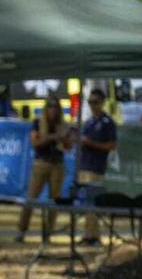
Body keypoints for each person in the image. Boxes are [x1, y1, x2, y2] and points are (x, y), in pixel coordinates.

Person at [14, 95, 74, 243]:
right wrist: (50, 137)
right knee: (31, 198)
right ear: (46, 109)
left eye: (55, 107)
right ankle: (21, 230)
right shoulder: (38, 122)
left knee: (54, 201)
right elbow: (35, 142)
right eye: (50, 106)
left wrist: (63, 138)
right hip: (41, 163)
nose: (53, 110)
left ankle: (48, 233)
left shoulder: (63, 125)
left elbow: (69, 146)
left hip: (57, 164)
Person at [75, 87, 118, 244]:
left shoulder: (107, 123)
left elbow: (112, 145)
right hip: (85, 165)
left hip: (97, 167)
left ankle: (94, 236)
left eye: (95, 102)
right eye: (90, 102)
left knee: (93, 201)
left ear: (102, 103)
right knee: (86, 203)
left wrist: (92, 143)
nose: (92, 105)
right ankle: (88, 234)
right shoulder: (88, 122)